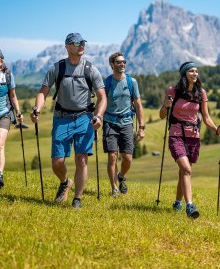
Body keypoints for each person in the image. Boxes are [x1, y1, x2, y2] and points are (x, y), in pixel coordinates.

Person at [30, 33, 106, 209]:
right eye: (77, 43)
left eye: (83, 43)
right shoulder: (57, 68)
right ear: (67, 46)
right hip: (61, 118)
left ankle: (77, 199)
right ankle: (65, 182)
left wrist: (99, 116)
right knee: (57, 162)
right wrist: (37, 108)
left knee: (81, 159)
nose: (81, 46)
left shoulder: (91, 69)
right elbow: (43, 92)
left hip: (84, 118)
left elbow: (102, 97)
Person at [159, 61, 220, 219]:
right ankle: (190, 206)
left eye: (196, 71)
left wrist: (217, 129)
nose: (195, 74)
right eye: (191, 71)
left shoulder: (200, 92)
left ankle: (177, 202)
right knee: (187, 169)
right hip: (176, 134)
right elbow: (162, 115)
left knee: (184, 171)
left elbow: (206, 117)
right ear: (184, 74)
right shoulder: (173, 90)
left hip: (193, 137)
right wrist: (166, 105)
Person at [103, 52, 145, 197]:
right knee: (112, 156)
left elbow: (138, 105)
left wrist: (141, 127)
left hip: (127, 123)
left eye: (124, 62)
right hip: (110, 123)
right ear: (112, 65)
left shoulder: (131, 82)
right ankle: (114, 187)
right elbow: (101, 103)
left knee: (127, 158)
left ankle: (120, 176)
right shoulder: (107, 82)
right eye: (119, 62)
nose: (122, 64)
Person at [0, 50, 23, 189]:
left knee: (0, 144)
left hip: (4, 114)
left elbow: (13, 96)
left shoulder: (7, 75)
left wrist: (18, 112)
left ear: (1, 60)